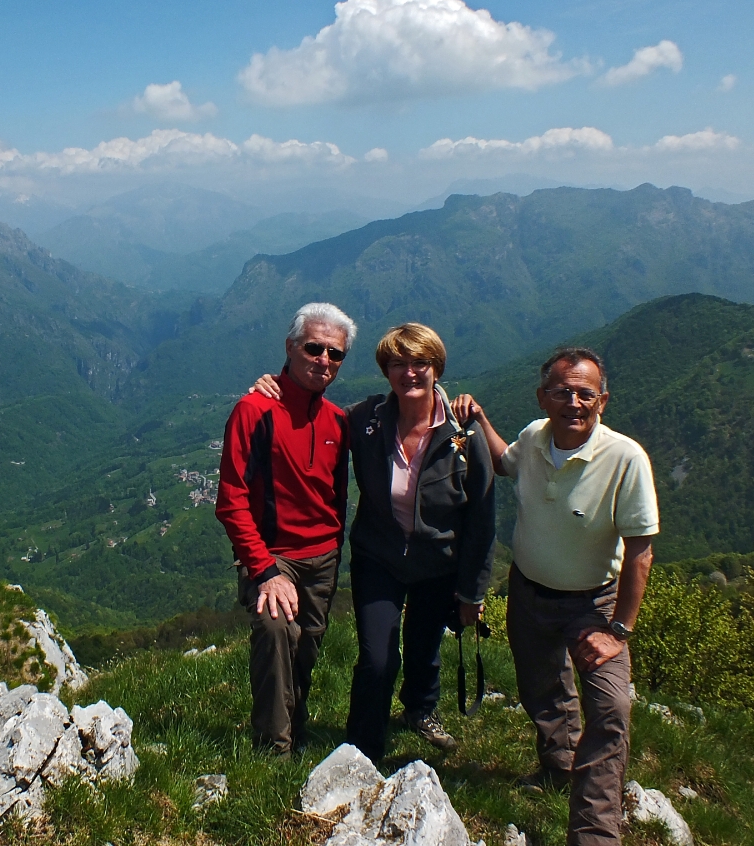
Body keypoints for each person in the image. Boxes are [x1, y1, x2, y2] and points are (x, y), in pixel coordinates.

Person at [252, 323, 496, 762]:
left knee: (424, 647)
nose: (409, 373)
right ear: (386, 371)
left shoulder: (462, 432)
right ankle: (363, 749)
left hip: (438, 561)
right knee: (377, 659)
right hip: (379, 557)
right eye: (397, 364)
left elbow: (482, 514)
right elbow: (314, 415)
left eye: (420, 363)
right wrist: (275, 383)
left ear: (436, 368)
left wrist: (472, 591)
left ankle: (420, 710)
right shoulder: (367, 420)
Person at [452, 347, 658, 846]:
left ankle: (593, 832)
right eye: (562, 391)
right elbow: (504, 463)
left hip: (596, 604)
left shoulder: (625, 457)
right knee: (542, 689)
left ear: (602, 401)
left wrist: (618, 632)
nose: (574, 401)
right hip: (529, 592)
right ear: (543, 397)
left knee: (609, 712)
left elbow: (640, 553)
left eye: (586, 393)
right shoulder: (534, 438)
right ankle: (558, 766)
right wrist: (478, 419)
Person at [215, 302, 355, 756]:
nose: (324, 361)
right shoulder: (253, 411)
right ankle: (273, 751)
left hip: (324, 558)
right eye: (314, 348)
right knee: (276, 634)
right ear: (291, 347)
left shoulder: (337, 421)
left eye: (336, 354)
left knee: (306, 651)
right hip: (273, 556)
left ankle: (295, 727)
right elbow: (231, 499)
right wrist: (263, 569)